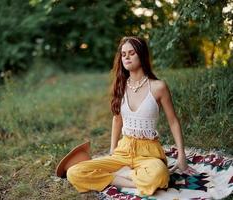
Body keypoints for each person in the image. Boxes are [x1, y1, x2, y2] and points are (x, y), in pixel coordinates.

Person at [66, 36, 199, 196]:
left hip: (148, 152)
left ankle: (121, 176)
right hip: (124, 149)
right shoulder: (121, 86)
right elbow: (117, 120)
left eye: (131, 53)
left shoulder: (158, 87)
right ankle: (121, 178)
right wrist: (112, 151)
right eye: (123, 54)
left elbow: (173, 122)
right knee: (73, 172)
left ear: (141, 55)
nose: (126, 57)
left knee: (159, 176)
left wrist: (181, 156)